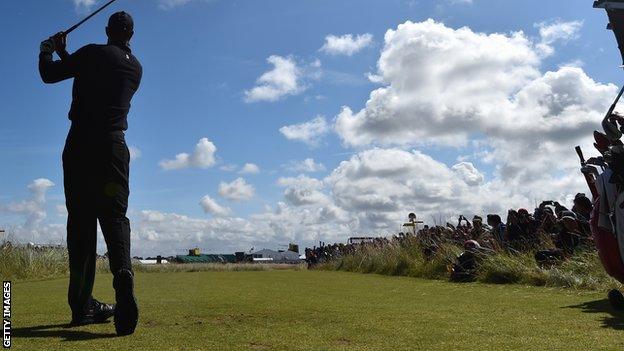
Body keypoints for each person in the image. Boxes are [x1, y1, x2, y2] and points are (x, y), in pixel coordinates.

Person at [39, 11, 142, 336]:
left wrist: (48, 49)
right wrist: (68, 54)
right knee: (114, 218)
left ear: (108, 30)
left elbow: (50, 74)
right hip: (113, 149)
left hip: (81, 146)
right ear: (131, 35)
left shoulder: (93, 53)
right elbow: (94, 74)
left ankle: (82, 306)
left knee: (82, 224)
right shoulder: (134, 68)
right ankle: (123, 273)